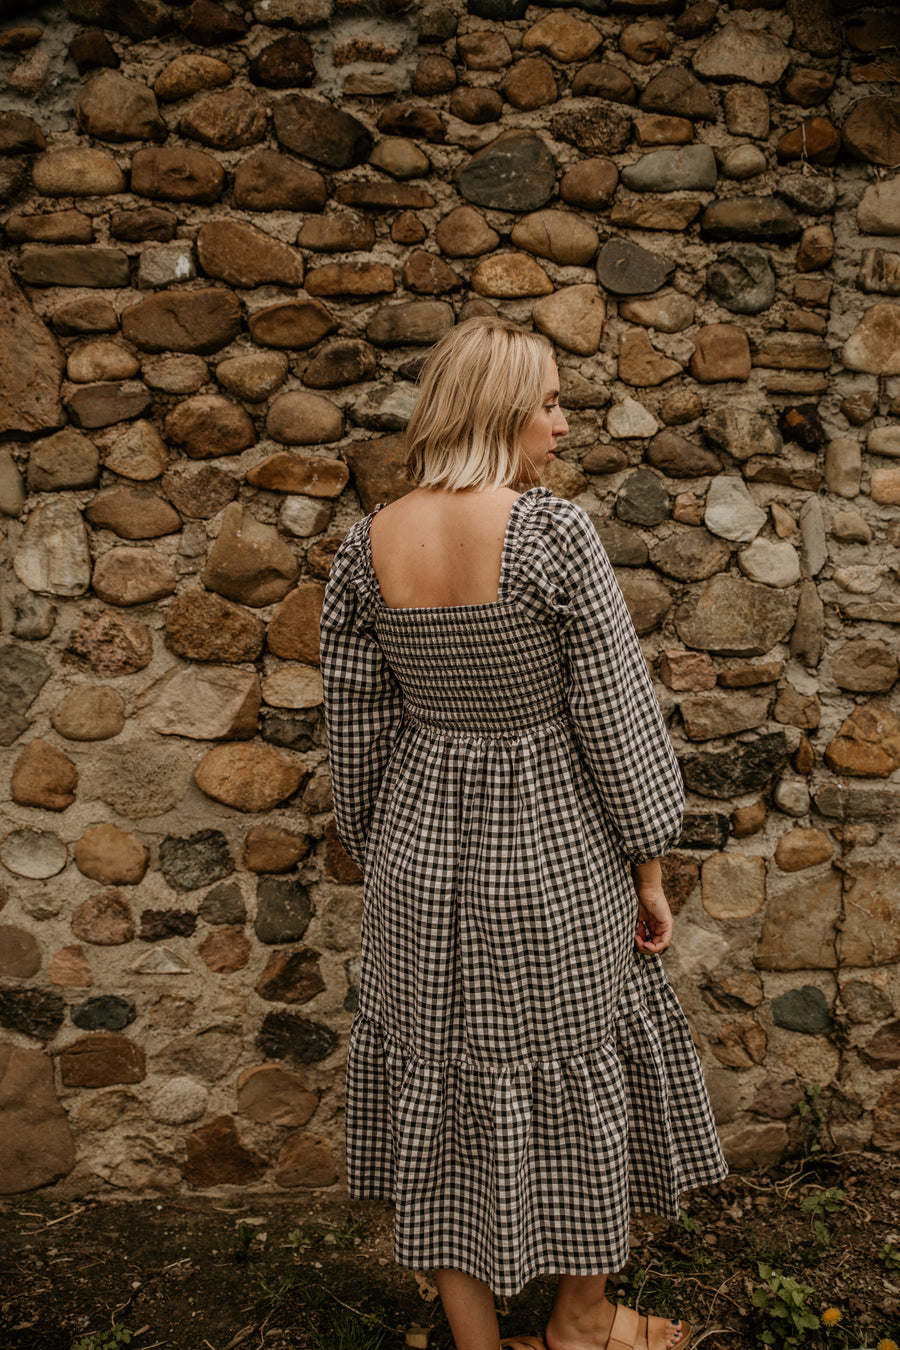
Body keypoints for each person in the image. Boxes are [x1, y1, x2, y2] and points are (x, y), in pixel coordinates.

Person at [320, 316, 727, 1350]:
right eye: (549, 401)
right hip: (551, 851)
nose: (561, 421)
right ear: (499, 410)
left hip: (418, 850)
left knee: (440, 1090)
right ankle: (582, 1325)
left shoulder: (365, 548)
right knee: (585, 1067)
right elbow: (617, 714)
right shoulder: (553, 534)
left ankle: (477, 1343)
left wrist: (383, 852)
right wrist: (651, 863)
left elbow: (357, 729)